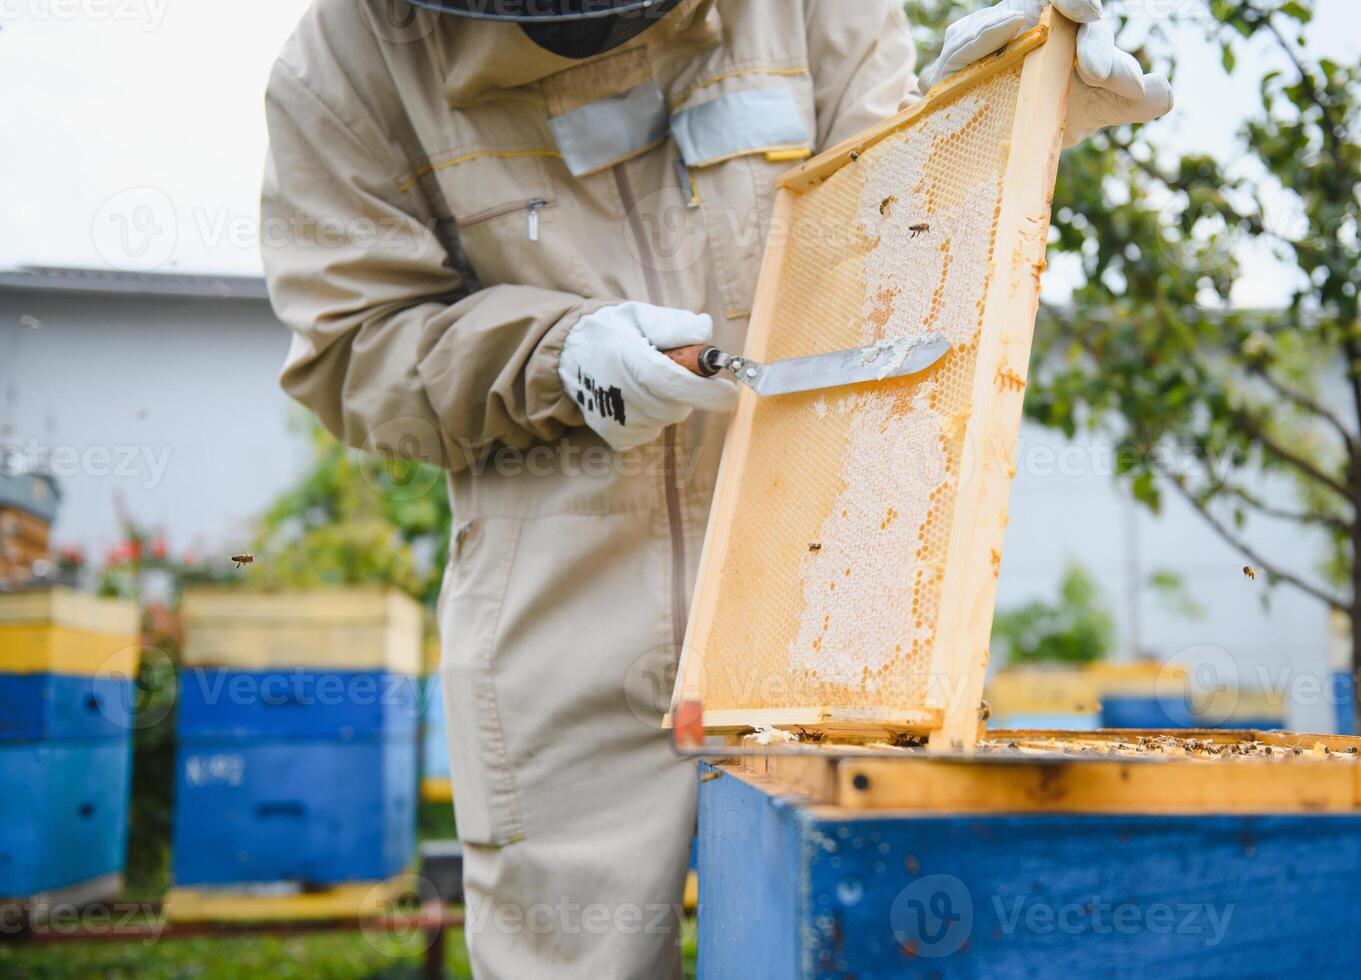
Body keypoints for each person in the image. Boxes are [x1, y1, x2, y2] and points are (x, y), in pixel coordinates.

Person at [260, 1, 1171, 975]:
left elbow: (891, 248)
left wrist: (987, 126)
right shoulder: (343, 66)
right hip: (564, 623)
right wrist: (554, 356)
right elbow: (354, 347)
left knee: (870, 941)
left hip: (834, 596)